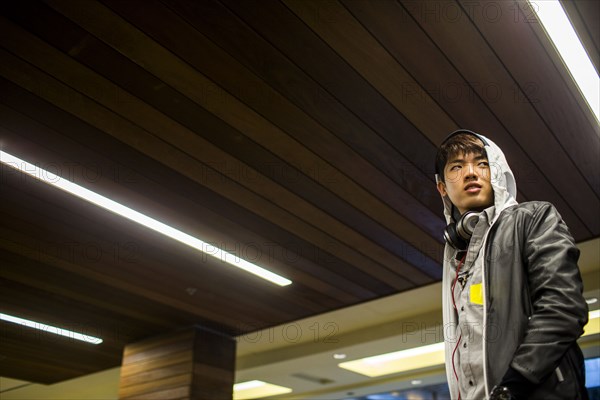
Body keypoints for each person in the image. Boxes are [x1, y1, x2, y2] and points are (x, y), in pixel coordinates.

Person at [434, 130, 589, 400]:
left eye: (482, 163)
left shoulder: (533, 218)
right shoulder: (454, 257)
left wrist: (513, 386)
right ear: (442, 188)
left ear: (497, 172)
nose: (470, 173)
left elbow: (563, 307)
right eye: (457, 167)